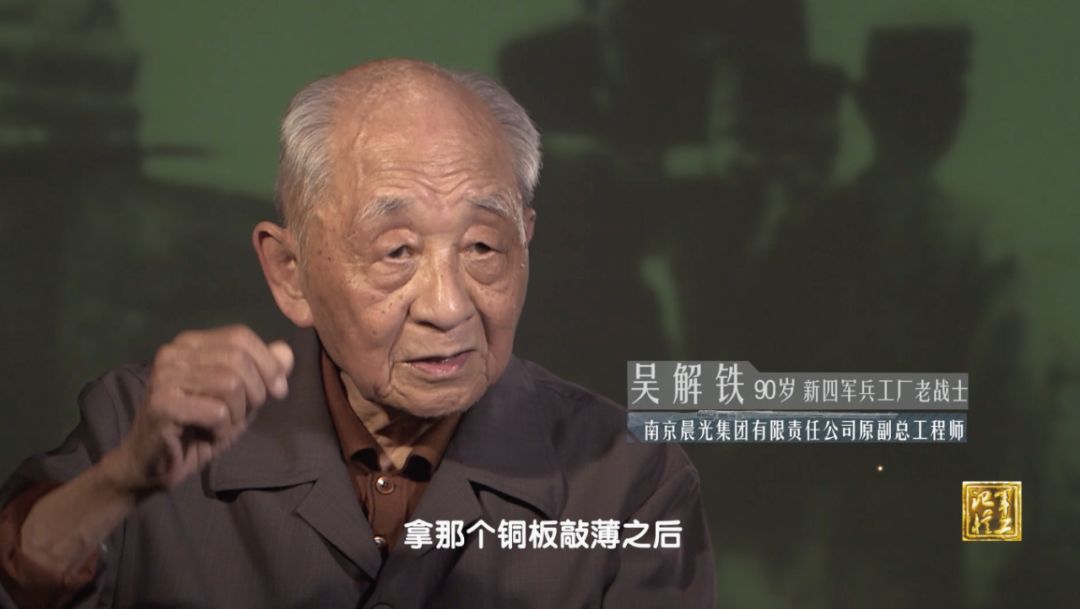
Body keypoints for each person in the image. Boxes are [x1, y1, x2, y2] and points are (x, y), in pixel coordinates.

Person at [0, 58, 715, 609]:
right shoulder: (139, 425)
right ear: (290, 272)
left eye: (482, 247)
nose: (448, 307)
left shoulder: (628, 481)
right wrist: (119, 482)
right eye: (397, 251)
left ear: (526, 241)